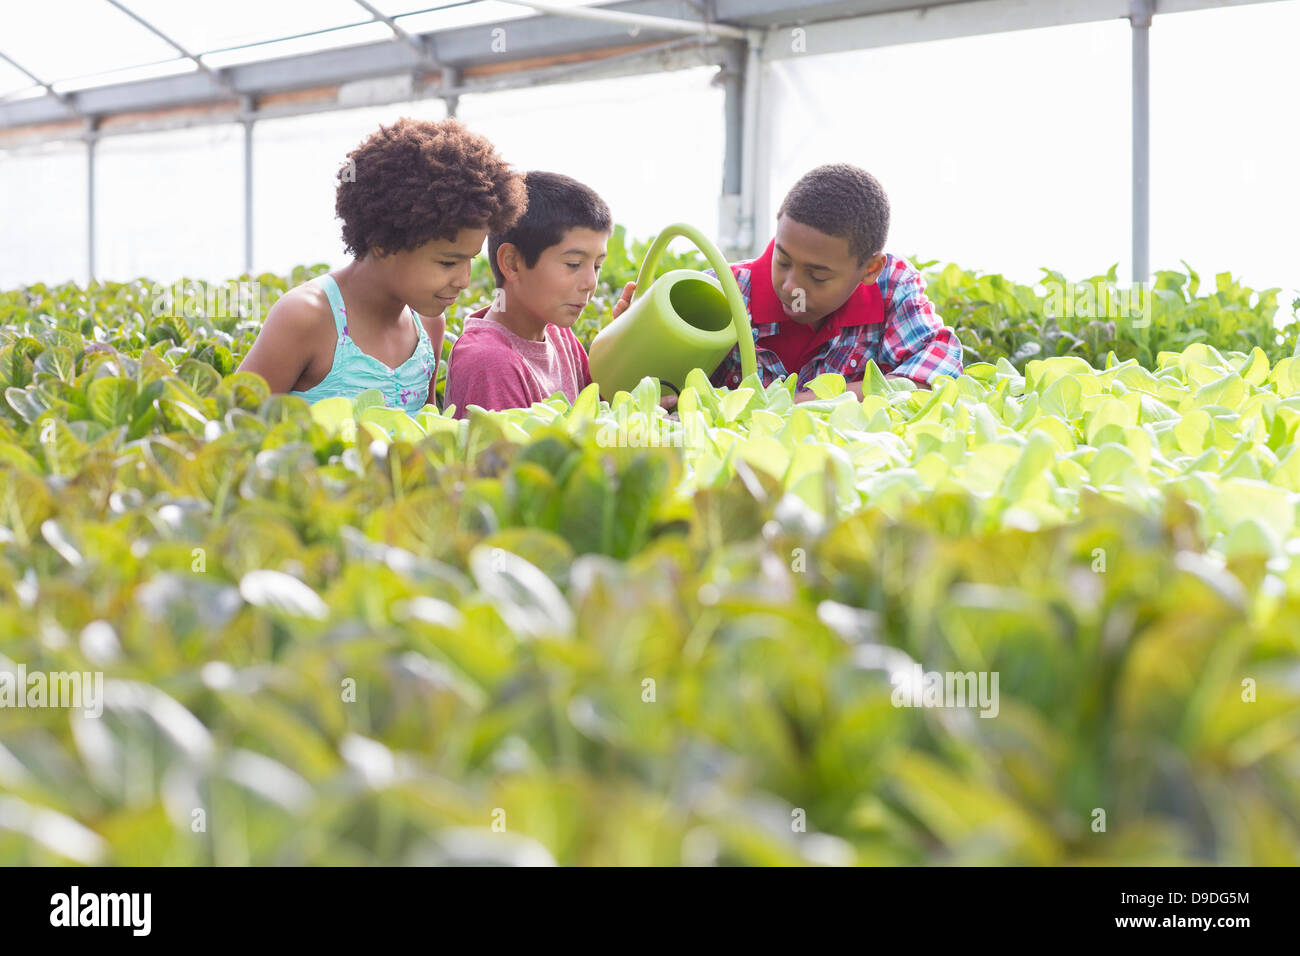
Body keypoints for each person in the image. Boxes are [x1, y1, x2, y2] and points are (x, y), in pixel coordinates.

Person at [237, 117, 526, 413]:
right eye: (448, 262)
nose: (464, 279)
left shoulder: (428, 325)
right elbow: (230, 426)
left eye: (470, 260)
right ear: (385, 243)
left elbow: (424, 427)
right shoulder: (305, 317)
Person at [611, 163, 963, 399]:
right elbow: (636, 393)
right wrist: (638, 341)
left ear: (870, 269)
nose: (792, 286)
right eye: (783, 260)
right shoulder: (723, 291)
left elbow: (938, 365)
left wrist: (798, 405)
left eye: (818, 274)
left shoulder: (891, 286)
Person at [444, 171, 609, 417]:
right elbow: (508, 456)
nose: (590, 283)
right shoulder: (489, 362)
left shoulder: (559, 335)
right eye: (574, 264)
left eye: (597, 266)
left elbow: (603, 412)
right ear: (512, 263)